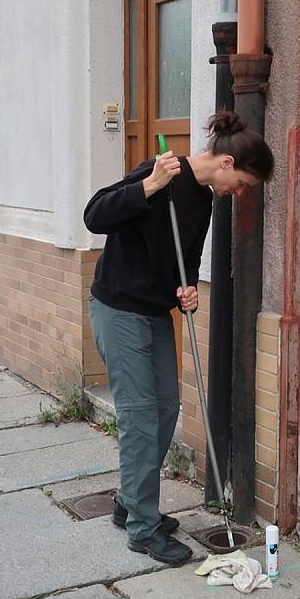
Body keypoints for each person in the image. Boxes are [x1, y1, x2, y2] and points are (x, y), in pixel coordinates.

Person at [84, 111, 274, 565]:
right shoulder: (160, 171)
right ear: (226, 163)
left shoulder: (204, 199)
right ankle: (142, 529)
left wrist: (186, 287)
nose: (240, 192)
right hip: (119, 309)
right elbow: (94, 215)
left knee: (167, 407)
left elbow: (184, 257)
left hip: (153, 313)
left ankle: (131, 501)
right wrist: (147, 186)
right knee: (139, 417)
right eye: (243, 182)